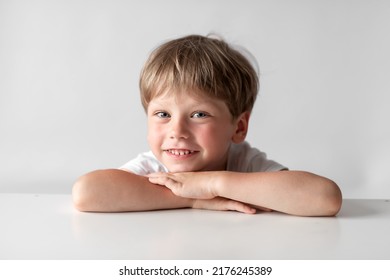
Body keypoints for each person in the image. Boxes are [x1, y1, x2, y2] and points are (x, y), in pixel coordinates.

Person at [72, 34, 342, 216]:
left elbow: (324, 198)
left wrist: (213, 184)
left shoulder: (245, 163)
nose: (177, 132)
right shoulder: (153, 168)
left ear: (238, 128)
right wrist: (193, 198)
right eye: (163, 114)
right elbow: (87, 193)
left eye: (199, 115)